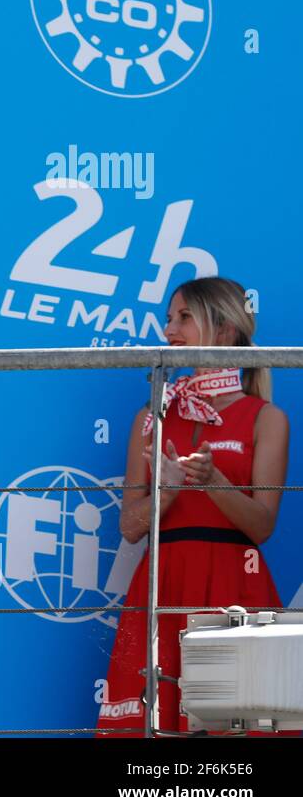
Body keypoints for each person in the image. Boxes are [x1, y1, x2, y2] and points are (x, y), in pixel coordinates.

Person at [97, 277, 288, 735]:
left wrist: (215, 482)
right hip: (164, 579)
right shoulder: (151, 416)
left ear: (223, 330)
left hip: (233, 582)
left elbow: (262, 526)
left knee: (237, 725)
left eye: (183, 317)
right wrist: (171, 490)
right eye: (168, 318)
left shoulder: (267, 417)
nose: (169, 331)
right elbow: (129, 527)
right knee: (156, 726)